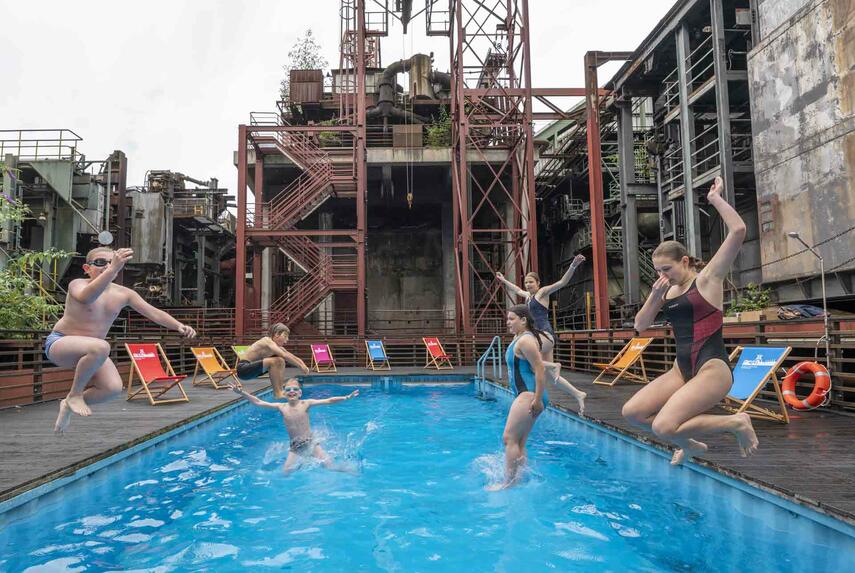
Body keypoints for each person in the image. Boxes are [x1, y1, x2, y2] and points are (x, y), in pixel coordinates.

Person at [621, 176, 759, 465]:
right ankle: (689, 444)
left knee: (662, 425)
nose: (662, 276)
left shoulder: (708, 279)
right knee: (632, 413)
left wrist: (715, 199)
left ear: (684, 262)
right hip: (681, 369)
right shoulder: (666, 290)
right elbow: (640, 326)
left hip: (712, 368)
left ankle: (736, 422)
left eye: (667, 269)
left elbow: (738, 230)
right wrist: (654, 297)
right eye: (658, 270)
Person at [48, 247, 197, 433]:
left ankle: (69, 403)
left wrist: (178, 326)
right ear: (87, 268)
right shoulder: (78, 284)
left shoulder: (124, 294)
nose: (107, 266)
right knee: (102, 346)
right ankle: (75, 394)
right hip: (62, 343)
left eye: (112, 262)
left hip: (93, 351)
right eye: (100, 263)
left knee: (112, 389)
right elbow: (86, 298)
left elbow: (154, 313)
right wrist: (111, 270)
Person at [496, 255, 587, 414]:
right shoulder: (528, 296)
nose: (528, 285)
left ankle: (554, 365)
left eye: (531, 282)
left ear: (538, 283)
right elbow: (516, 289)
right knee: (552, 376)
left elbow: (561, 283)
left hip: (544, 335)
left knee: (530, 360)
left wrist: (573, 265)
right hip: (540, 338)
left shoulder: (542, 293)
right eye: (526, 282)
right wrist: (503, 280)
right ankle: (578, 394)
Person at [228, 379, 359, 473]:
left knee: (329, 465)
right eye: (288, 390)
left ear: (300, 393)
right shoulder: (281, 406)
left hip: (311, 443)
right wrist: (241, 393)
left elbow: (329, 400)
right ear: (284, 394)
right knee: (286, 471)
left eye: (295, 389)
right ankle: (300, 467)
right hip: (295, 447)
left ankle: (349, 470)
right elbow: (258, 402)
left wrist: (347, 397)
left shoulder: (306, 403)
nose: (292, 391)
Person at [488, 304, 547, 490]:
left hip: (529, 395)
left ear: (524, 320)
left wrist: (537, 399)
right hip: (528, 394)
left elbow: (540, 369)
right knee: (519, 441)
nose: (508, 322)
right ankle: (518, 479)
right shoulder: (520, 338)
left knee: (509, 438)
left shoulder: (525, 341)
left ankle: (508, 483)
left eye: (512, 319)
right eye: (507, 319)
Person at [235, 323, 310, 398]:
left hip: (253, 370)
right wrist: (300, 366)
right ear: (277, 334)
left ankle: (280, 391)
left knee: (281, 361)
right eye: (285, 336)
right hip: (243, 369)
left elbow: (293, 357)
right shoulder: (267, 341)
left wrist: (304, 366)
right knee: (276, 360)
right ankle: (278, 393)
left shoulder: (276, 346)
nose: (287, 340)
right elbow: (284, 355)